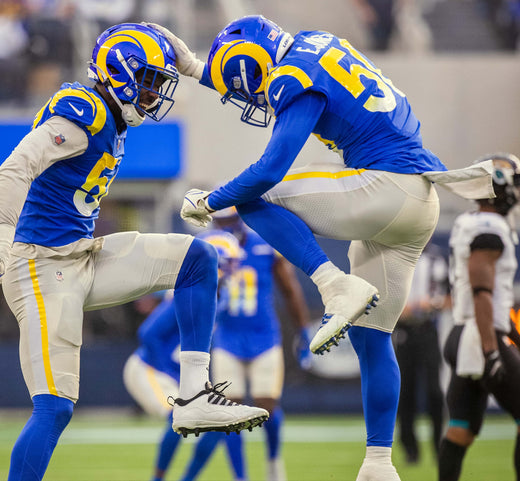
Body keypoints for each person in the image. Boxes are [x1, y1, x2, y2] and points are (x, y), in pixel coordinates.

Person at [147, 15, 494, 481]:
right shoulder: (312, 44)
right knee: (374, 340)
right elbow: (262, 69)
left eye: (245, 84)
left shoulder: (293, 75)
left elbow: (269, 170)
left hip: (384, 187)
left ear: (255, 62)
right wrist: (194, 69)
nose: (251, 97)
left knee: (253, 194)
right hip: (421, 202)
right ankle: (378, 463)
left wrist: (211, 200)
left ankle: (331, 284)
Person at [0, 23, 268, 481]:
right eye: (148, 81)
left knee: (197, 260)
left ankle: (193, 397)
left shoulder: (112, 110)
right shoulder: (83, 111)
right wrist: (0, 240)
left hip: (82, 254)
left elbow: (172, 52)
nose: (156, 93)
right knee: (55, 409)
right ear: (120, 75)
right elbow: (15, 168)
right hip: (40, 266)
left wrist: (199, 69)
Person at [181, 207, 312, 481]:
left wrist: (302, 328)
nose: (226, 228)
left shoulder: (264, 245)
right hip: (227, 338)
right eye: (221, 222)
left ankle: (274, 461)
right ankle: (240, 477)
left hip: (264, 336)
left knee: (267, 405)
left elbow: (289, 289)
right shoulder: (209, 248)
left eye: (230, 221)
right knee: (229, 413)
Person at [123, 229, 245, 481]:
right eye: (231, 262)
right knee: (177, 414)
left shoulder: (221, 298)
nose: (236, 267)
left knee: (217, 424)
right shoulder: (188, 295)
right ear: (219, 262)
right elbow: (148, 334)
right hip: (149, 368)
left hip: (175, 371)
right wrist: (174, 376)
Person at [438, 153, 520, 481]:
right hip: (480, 336)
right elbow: (481, 289)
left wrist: (511, 333)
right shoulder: (490, 225)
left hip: (464, 333)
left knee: (461, 429)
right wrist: (491, 350)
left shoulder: (467, 221)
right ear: (499, 185)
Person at [392, 241, 448, 464]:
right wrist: (397, 308)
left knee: (434, 391)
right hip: (403, 332)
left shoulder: (436, 258)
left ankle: (439, 446)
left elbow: (449, 295)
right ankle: (410, 450)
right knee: (405, 392)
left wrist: (431, 304)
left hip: (427, 330)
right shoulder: (396, 256)